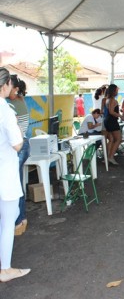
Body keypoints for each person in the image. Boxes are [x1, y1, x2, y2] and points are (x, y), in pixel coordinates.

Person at [0, 67, 31, 282]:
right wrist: (20, 132)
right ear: (5, 86)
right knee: (7, 221)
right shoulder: (5, 109)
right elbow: (18, 144)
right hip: (5, 173)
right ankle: (6, 269)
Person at [7, 76, 30, 236]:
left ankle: (19, 220)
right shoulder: (20, 100)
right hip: (23, 144)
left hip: (19, 146)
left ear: (14, 88)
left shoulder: (11, 104)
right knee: (17, 183)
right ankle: (20, 219)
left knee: (15, 185)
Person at [103, 84, 124, 165]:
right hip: (112, 121)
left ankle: (108, 157)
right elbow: (111, 111)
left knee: (111, 139)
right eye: (117, 90)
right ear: (114, 91)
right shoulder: (112, 100)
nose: (117, 91)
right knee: (118, 139)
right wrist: (120, 116)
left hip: (107, 120)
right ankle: (110, 157)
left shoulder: (107, 99)